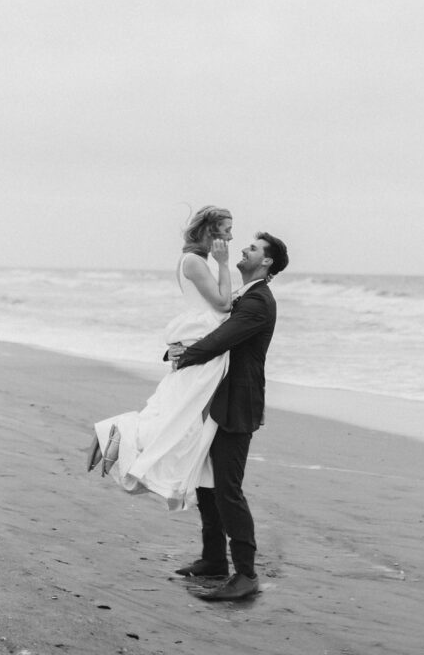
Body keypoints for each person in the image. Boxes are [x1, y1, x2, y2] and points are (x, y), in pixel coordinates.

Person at [167, 230, 289, 602]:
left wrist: (185, 357)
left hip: (238, 404)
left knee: (228, 489)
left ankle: (246, 574)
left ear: (266, 261)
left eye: (253, 248)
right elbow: (211, 327)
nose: (244, 249)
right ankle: (214, 559)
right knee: (207, 483)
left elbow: (223, 338)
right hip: (217, 399)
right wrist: (178, 349)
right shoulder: (242, 294)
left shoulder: (258, 302)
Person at [87, 205, 235, 511]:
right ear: (210, 231)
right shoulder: (194, 261)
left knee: (182, 413)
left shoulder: (195, 260)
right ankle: (120, 431)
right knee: (183, 415)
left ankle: (155, 463)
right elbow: (222, 305)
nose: (231, 237)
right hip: (202, 339)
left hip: (201, 337)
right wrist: (224, 264)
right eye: (226, 230)